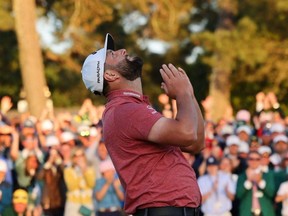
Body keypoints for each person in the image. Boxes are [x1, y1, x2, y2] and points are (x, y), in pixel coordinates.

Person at [81, 33, 205, 216]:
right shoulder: (125, 110)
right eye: (114, 55)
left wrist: (189, 95)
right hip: (164, 209)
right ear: (109, 74)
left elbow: (196, 144)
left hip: (170, 208)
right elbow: (187, 134)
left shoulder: (130, 108)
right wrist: (183, 95)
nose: (122, 50)